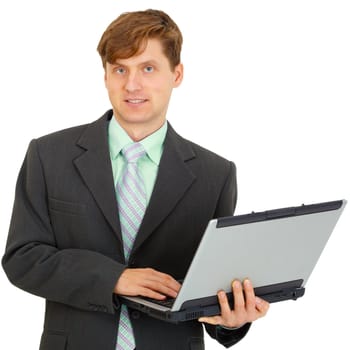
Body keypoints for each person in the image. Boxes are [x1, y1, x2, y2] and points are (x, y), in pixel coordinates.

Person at [2, 9, 269, 350]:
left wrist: (233, 321)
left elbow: (210, 284)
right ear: (106, 76)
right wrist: (114, 278)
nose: (131, 85)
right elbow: (23, 258)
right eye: (119, 69)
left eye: (147, 68)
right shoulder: (49, 156)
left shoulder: (215, 174)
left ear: (177, 74)